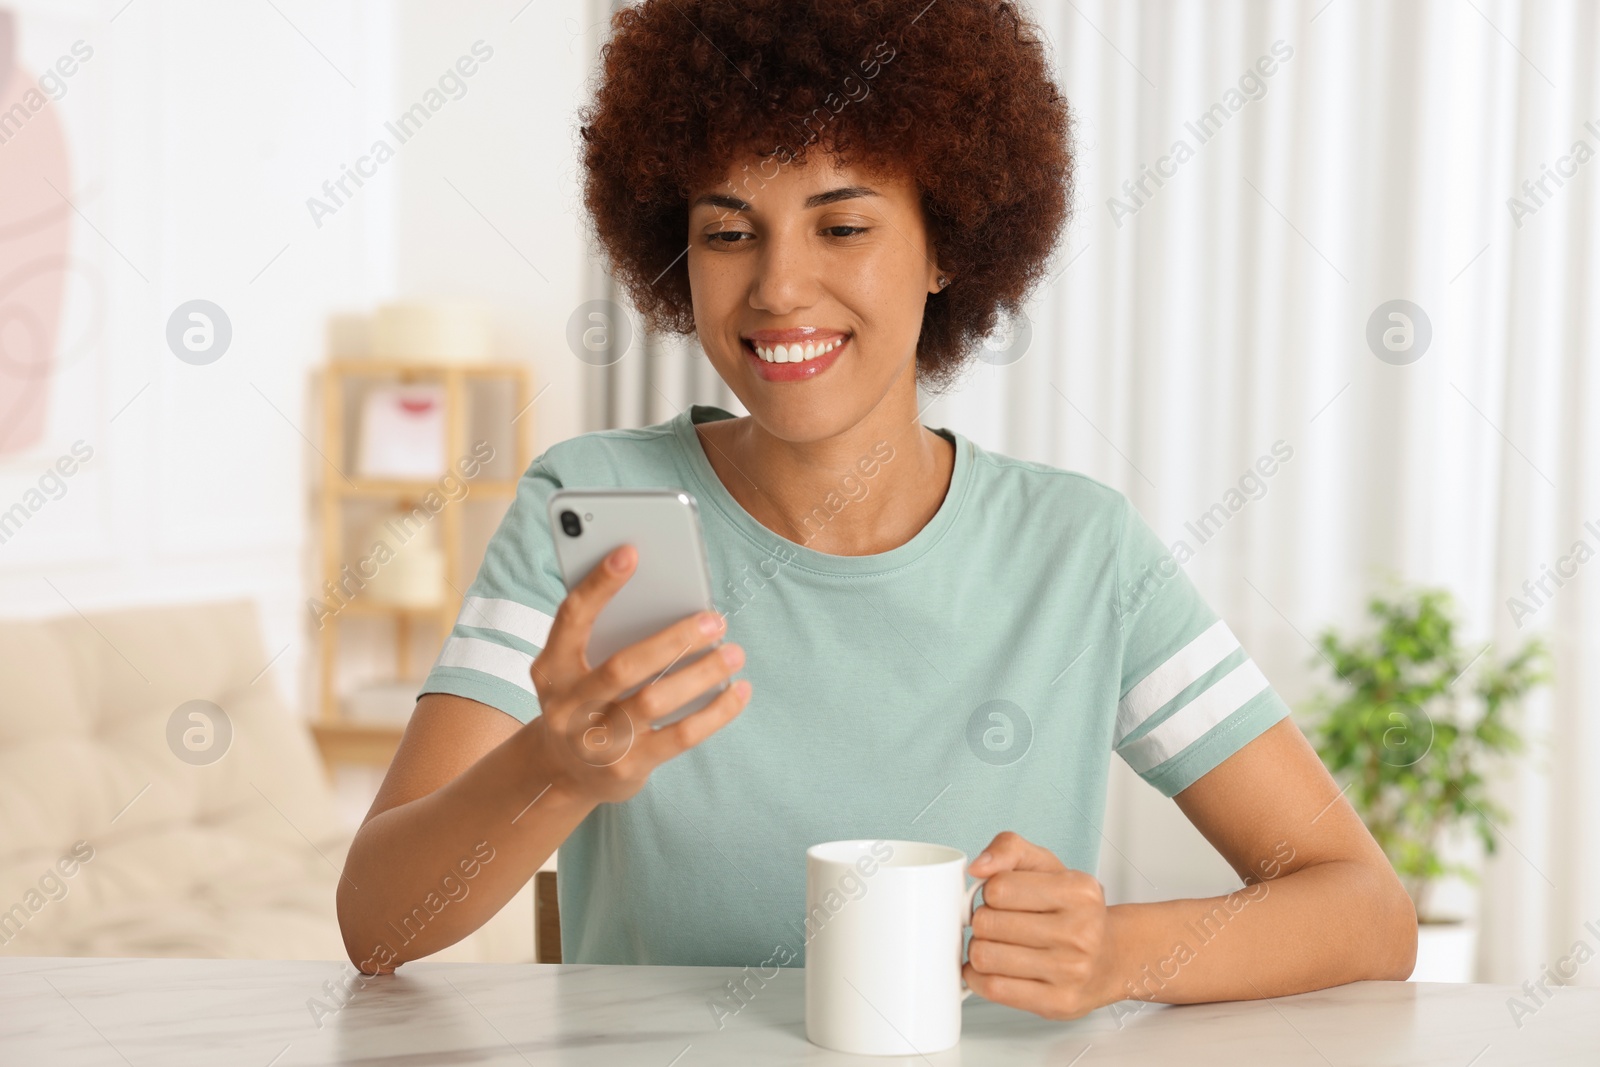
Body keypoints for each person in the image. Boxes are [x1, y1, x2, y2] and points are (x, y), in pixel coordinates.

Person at [337, 0, 1417, 1019]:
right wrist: (553, 770)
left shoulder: (1079, 553)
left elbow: (1365, 909)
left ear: (947, 244)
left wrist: (1117, 953)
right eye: (727, 233)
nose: (778, 287)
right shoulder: (596, 511)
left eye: (842, 225)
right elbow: (378, 924)